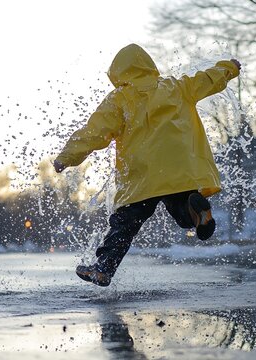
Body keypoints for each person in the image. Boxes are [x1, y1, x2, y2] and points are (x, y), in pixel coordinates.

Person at [54, 44, 241, 286]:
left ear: (118, 73)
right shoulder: (177, 86)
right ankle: (199, 215)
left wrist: (66, 157)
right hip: (180, 170)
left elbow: (95, 132)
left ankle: (103, 269)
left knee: (125, 225)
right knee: (184, 213)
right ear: (149, 65)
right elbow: (207, 79)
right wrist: (229, 68)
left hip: (142, 177)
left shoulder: (119, 99)